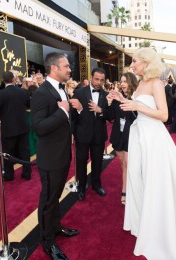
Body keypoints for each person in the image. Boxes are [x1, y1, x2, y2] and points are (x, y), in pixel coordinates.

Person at [121, 48, 176, 259]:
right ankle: (142, 221)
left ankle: (157, 227)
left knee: (155, 182)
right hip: (139, 136)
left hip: (154, 139)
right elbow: (139, 108)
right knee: (139, 179)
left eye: (134, 61)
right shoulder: (141, 83)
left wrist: (136, 105)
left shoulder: (156, 83)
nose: (131, 65)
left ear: (146, 62)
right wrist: (122, 100)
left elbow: (163, 115)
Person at [31, 52, 79, 260]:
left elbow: (64, 118)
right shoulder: (42, 93)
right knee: (48, 200)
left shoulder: (61, 90)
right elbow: (39, 128)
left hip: (62, 154)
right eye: (66, 66)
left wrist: (71, 109)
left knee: (55, 197)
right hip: (50, 158)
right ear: (54, 69)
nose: (70, 69)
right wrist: (62, 112)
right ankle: (47, 241)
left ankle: (56, 227)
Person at [70, 67, 110, 201]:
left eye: (101, 80)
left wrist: (101, 110)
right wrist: (73, 133)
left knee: (97, 161)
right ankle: (81, 186)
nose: (99, 82)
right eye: (96, 79)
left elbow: (109, 116)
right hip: (82, 134)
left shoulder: (106, 94)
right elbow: (73, 115)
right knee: (81, 161)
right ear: (91, 77)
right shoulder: (79, 92)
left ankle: (96, 184)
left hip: (98, 134)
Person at [106, 72, 138, 204]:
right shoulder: (116, 97)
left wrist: (124, 101)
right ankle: (128, 185)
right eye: (121, 81)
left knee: (127, 163)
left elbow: (138, 116)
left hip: (131, 135)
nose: (123, 84)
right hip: (118, 135)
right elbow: (110, 117)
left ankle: (126, 190)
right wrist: (108, 103)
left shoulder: (137, 97)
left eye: (125, 81)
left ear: (131, 82)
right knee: (122, 163)